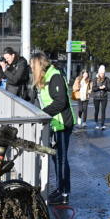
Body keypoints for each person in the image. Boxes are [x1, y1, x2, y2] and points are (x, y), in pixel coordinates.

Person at [30, 52, 77, 205]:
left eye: (33, 65)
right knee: (57, 159)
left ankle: (64, 193)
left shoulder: (54, 76)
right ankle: (59, 189)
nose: (31, 68)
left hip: (62, 124)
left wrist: (43, 114)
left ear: (39, 65)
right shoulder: (46, 77)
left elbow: (61, 102)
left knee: (61, 159)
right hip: (55, 124)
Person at [91, 65, 110, 130]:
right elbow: (93, 88)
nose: (102, 74)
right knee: (96, 110)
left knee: (103, 111)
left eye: (103, 73)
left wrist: (105, 88)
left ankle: (102, 124)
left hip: (104, 97)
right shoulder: (95, 79)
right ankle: (96, 122)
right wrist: (99, 87)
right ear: (99, 73)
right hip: (96, 97)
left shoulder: (107, 79)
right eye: (101, 73)